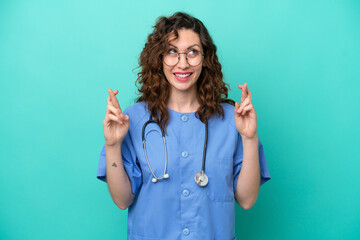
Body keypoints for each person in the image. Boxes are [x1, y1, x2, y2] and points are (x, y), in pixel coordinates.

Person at [97, 12, 271, 240]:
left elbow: (247, 201)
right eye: (172, 51)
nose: (183, 63)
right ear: (159, 58)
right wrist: (112, 144)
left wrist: (249, 138)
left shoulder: (233, 120)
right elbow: (122, 200)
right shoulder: (134, 119)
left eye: (193, 52)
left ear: (205, 58)